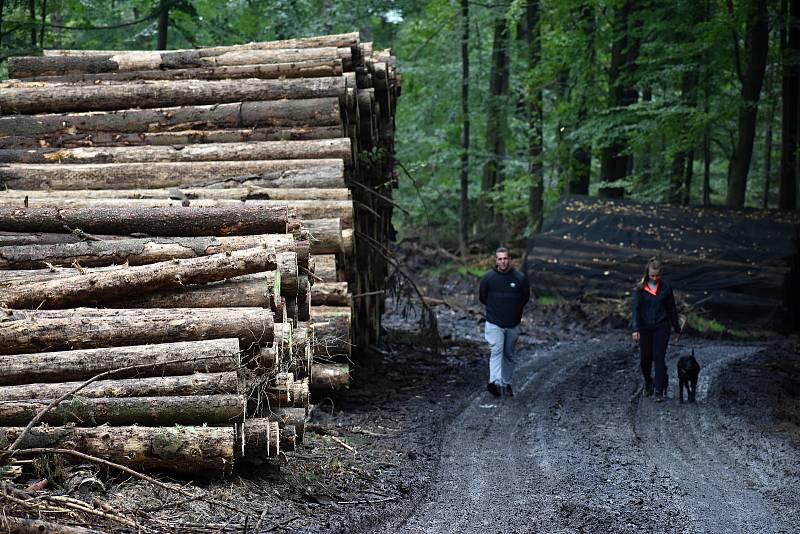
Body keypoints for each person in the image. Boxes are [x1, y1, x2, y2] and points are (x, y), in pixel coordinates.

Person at [479, 247, 531, 397]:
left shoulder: (520, 278)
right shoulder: (488, 278)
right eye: (500, 259)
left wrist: (514, 311)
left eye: (505, 258)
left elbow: (525, 298)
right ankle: (494, 382)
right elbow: (483, 297)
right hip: (494, 323)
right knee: (496, 350)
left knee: (509, 354)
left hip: (513, 324)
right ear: (496, 260)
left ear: (510, 259)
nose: (503, 261)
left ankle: (506, 383)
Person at [630, 257, 681, 402]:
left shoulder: (665, 288)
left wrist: (677, 328)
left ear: (661, 274)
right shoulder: (640, 288)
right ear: (647, 273)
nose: (655, 278)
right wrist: (635, 328)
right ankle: (648, 382)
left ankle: (658, 390)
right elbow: (635, 309)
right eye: (652, 275)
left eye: (657, 275)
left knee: (659, 358)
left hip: (661, 326)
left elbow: (672, 309)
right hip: (645, 327)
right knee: (645, 360)